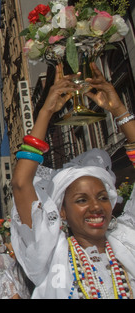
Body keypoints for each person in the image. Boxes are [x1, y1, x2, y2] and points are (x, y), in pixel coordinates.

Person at [11, 63, 135, 299]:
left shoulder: (128, 239)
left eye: (102, 197)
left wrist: (118, 109)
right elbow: (20, 184)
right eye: (81, 200)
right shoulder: (49, 252)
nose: (96, 207)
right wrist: (46, 111)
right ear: (62, 212)